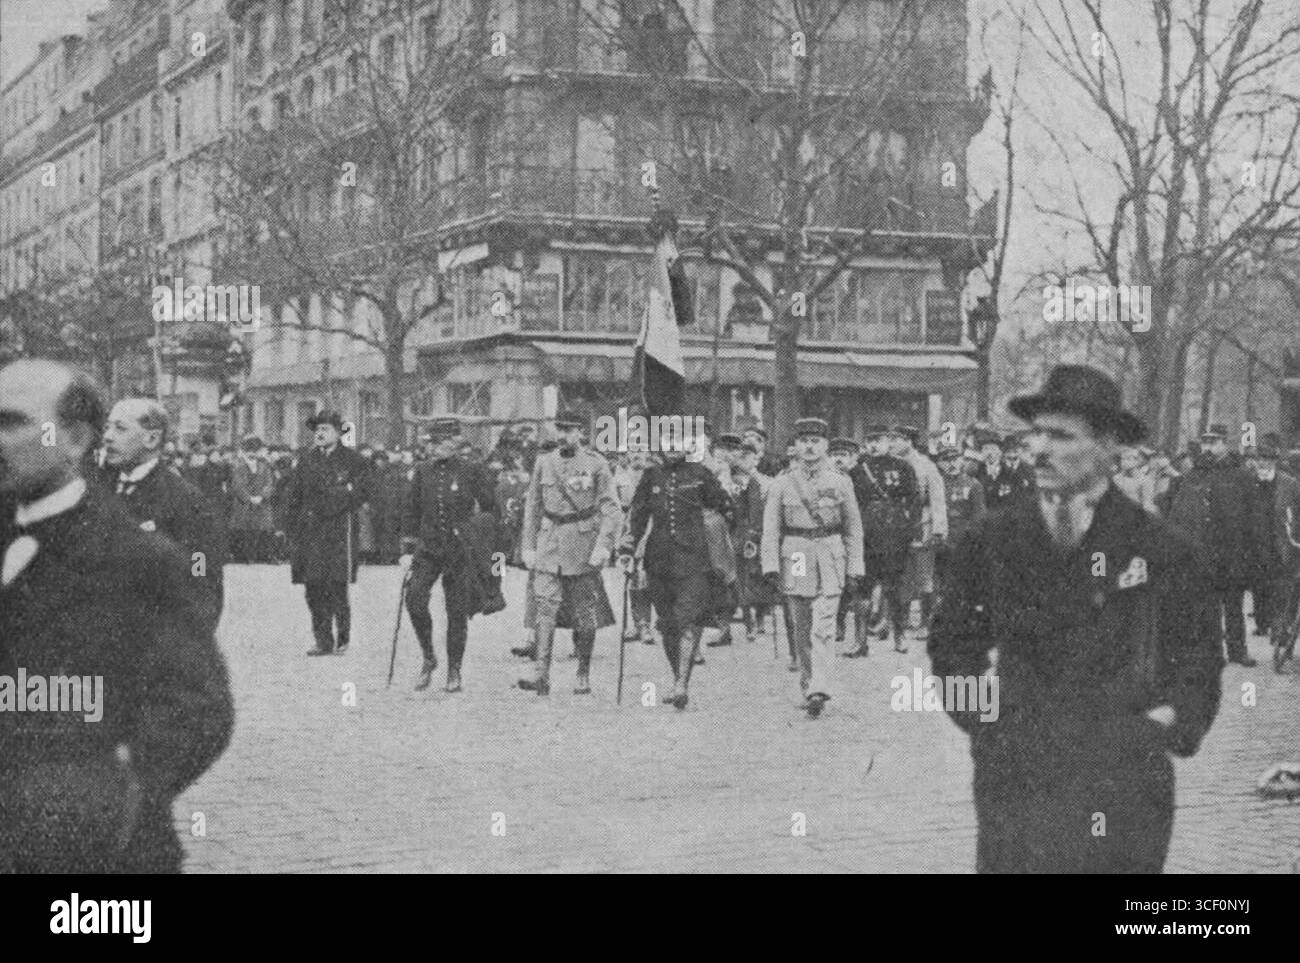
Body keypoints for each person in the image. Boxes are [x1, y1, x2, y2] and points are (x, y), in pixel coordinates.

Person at [930, 364, 1223, 873]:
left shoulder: (1161, 549)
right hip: (1018, 780)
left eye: (1061, 435)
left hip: (1123, 784)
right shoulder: (990, 541)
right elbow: (953, 646)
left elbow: (1198, 658)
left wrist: (1163, 726)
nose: (1038, 448)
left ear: (1109, 447)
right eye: (1034, 433)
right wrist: (986, 724)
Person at [0, 360, 232, 873]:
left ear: (76, 439)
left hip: (97, 856)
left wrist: (115, 789)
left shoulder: (139, 560)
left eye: (11, 422)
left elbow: (199, 707)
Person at [621, 428, 733, 709]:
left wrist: (722, 540)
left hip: (694, 559)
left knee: (687, 620)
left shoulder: (701, 474)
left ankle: (682, 684)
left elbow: (725, 508)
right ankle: (677, 678)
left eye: (679, 442)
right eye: (667, 442)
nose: (673, 448)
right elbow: (637, 516)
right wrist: (627, 547)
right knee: (669, 625)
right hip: (659, 560)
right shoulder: (651, 476)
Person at [762, 418, 864, 718]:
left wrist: (855, 565)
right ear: (795, 446)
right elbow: (771, 529)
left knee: (824, 625)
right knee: (801, 625)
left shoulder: (840, 481)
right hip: (796, 554)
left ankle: (820, 685)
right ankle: (808, 682)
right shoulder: (782, 483)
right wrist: (770, 566)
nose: (809, 446)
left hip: (830, 555)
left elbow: (853, 529)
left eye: (815, 441)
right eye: (804, 440)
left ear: (825, 446)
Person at [516, 413, 620, 695]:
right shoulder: (544, 462)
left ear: (581, 433)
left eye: (570, 430)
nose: (563, 436)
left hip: (582, 546)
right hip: (549, 543)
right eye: (560, 429)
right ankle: (541, 674)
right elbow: (533, 506)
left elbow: (611, 509)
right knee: (544, 607)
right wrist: (528, 546)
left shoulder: (596, 464)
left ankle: (583, 673)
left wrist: (603, 545)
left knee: (585, 614)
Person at [99, 397, 225, 618]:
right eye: (107, 427)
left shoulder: (185, 500)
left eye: (120, 429)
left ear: (152, 438)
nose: (107, 437)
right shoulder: (92, 491)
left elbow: (201, 576)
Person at [401, 418, 498, 692]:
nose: (435, 448)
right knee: (415, 599)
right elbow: (411, 510)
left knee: (456, 610)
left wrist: (472, 531)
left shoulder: (472, 471)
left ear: (455, 442)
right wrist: (407, 550)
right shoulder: (422, 471)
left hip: (459, 550)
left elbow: (491, 510)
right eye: (432, 442)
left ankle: (454, 669)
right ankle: (429, 657)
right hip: (429, 549)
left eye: (441, 442)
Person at [282, 410, 374, 656]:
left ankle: (342, 638)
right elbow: (294, 495)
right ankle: (322, 640)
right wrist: (290, 528)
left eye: (326, 429)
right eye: (317, 430)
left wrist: (340, 499)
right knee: (313, 587)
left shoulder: (353, 461)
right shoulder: (307, 460)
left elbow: (363, 492)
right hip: (311, 532)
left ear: (338, 433)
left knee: (336, 585)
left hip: (339, 530)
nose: (320, 434)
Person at [1168, 424, 1259, 666]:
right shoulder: (1195, 474)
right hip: (1203, 552)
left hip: (1232, 551)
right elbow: (1181, 512)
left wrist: (1251, 551)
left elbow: (1254, 515)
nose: (1208, 447)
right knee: (1205, 605)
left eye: (1214, 441)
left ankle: (1238, 651)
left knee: (1233, 606)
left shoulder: (1241, 475)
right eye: (1205, 442)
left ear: (1225, 443)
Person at [846, 425, 920, 656]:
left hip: (894, 537)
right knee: (863, 590)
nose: (874, 445)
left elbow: (914, 500)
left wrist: (910, 530)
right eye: (870, 440)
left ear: (888, 441)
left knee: (894, 589)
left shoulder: (903, 467)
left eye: (878, 439)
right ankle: (860, 642)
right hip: (866, 537)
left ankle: (899, 637)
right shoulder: (858, 470)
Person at [893, 425, 947, 639]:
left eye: (897, 439)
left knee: (925, 576)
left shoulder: (926, 466)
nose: (894, 444)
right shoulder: (895, 465)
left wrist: (939, 530)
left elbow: (938, 500)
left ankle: (926, 623)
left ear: (909, 441)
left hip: (922, 526)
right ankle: (903, 620)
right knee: (903, 576)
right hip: (898, 528)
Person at [1246, 439, 1300, 639]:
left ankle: (1279, 626)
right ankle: (1262, 623)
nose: (1263, 464)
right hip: (1255, 541)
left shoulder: (1289, 483)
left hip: (1280, 542)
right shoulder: (1249, 480)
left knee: (1280, 585)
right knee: (1259, 585)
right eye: (1260, 459)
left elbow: (1297, 511)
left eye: (1268, 460)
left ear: (1275, 462)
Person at [934, 443, 985, 593]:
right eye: (946, 460)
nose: (952, 463)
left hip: (963, 541)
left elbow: (979, 514)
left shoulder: (973, 484)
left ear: (961, 460)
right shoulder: (936, 483)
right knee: (939, 581)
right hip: (940, 541)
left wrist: (970, 536)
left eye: (955, 459)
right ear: (940, 463)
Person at [229, 434, 278, 563]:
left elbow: (269, 484)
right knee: (245, 530)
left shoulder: (265, 467)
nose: (252, 454)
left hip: (262, 504)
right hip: (244, 505)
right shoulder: (238, 468)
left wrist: (262, 497)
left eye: (255, 451)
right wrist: (249, 498)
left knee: (265, 530)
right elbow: (237, 485)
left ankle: (266, 556)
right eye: (249, 451)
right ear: (245, 452)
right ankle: (246, 556)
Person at [974, 428, 1035, 511]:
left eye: (993, 449)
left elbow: (1018, 502)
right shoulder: (976, 472)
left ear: (1000, 452)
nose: (989, 453)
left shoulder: (1011, 474)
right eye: (985, 449)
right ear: (981, 452)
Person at [1113, 444, 1158, 514]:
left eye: (1128, 458)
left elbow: (1147, 503)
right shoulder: (1115, 479)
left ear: (1136, 461)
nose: (1124, 462)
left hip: (1135, 515)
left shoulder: (1146, 481)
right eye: (1122, 459)